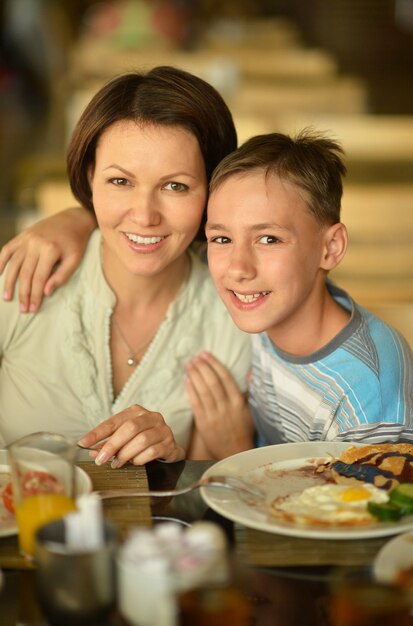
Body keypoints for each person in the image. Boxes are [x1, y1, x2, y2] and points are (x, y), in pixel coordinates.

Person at [0, 66, 253, 465]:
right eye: (120, 181)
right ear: (90, 176)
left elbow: (201, 503)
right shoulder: (25, 272)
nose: (145, 215)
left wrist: (175, 463)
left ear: (213, 190)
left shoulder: (235, 314)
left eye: (176, 186)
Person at [205, 130, 413, 444]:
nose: (238, 268)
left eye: (269, 239)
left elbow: (361, 494)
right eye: (222, 239)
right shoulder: (263, 310)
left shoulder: (366, 392)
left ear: (330, 248)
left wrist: (235, 449)